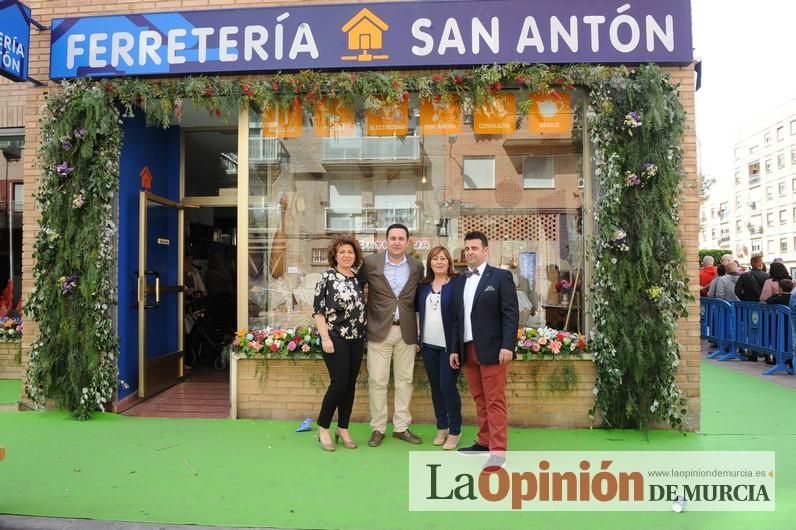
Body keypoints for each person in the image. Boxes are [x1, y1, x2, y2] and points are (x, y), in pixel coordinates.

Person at [449, 231, 519, 473]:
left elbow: (511, 314)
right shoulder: (459, 281)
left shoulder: (500, 277)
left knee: (495, 400)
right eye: (467, 248)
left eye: (474, 248)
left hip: (493, 349)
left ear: (485, 250)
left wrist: (508, 345)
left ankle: (498, 453)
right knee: (480, 399)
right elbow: (457, 319)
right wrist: (454, 349)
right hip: (467, 349)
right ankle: (483, 442)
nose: (470, 252)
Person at [357, 223, 425, 447]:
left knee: (405, 381)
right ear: (386, 240)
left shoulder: (416, 266)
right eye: (393, 238)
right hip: (378, 330)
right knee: (377, 380)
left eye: (401, 238)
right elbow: (357, 290)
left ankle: (401, 427)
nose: (397, 242)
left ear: (407, 241)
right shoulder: (370, 263)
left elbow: (419, 300)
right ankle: (378, 428)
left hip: (406, 331)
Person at [313, 235, 367, 452]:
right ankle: (323, 427)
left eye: (350, 252)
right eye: (342, 252)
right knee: (339, 384)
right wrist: (325, 338)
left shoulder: (356, 278)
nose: (346, 255)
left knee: (350, 384)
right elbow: (318, 311)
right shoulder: (327, 277)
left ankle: (343, 427)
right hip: (335, 338)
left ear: (355, 256)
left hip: (356, 339)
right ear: (335, 255)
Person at [416, 246, 462, 451]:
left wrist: (454, 348)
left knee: (448, 387)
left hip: (448, 348)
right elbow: (416, 313)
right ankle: (441, 426)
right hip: (428, 346)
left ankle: (455, 430)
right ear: (430, 263)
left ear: (449, 262)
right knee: (435, 387)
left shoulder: (456, 284)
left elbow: (458, 319)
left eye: (443, 258)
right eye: (435, 259)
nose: (439, 262)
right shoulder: (424, 286)